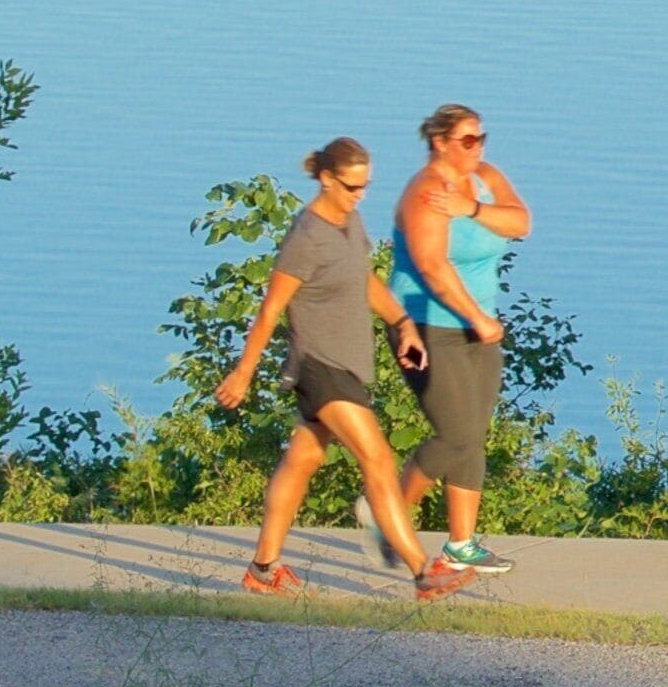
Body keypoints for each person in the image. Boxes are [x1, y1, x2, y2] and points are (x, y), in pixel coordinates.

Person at [216, 138, 469, 600]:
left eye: (366, 186)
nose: (360, 195)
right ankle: (422, 571)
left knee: (303, 459)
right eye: (352, 186)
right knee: (377, 457)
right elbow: (271, 309)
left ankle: (263, 570)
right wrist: (244, 371)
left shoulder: (349, 220)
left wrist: (401, 321)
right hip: (318, 366)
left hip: (349, 366)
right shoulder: (305, 238)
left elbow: (362, 277)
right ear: (326, 179)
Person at [394, 102, 531, 575]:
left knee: (473, 435)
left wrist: (471, 208)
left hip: (480, 327)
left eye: (481, 138)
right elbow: (433, 267)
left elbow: (520, 222)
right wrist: (477, 318)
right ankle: (386, 517)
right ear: (440, 142)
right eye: (468, 140)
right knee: (454, 434)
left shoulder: (484, 178)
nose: (479, 148)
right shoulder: (425, 192)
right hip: (432, 326)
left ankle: (461, 543)